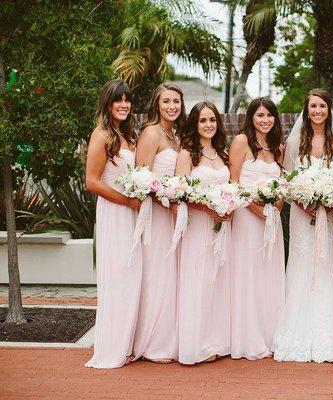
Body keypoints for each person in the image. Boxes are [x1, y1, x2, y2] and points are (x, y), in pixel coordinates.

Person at [273, 89, 333, 363]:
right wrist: (305, 203)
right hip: (301, 217)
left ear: (329, 110)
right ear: (306, 110)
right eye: (312, 106)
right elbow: (288, 182)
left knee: (326, 268)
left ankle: (328, 333)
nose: (317, 111)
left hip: (329, 217)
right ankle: (297, 332)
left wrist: (329, 201)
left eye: (322, 106)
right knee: (302, 266)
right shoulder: (294, 143)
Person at [84, 79, 141, 369]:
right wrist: (127, 201)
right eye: (117, 100)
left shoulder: (129, 135)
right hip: (115, 212)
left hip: (133, 213)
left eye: (127, 100)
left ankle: (128, 343)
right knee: (118, 278)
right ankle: (112, 347)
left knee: (133, 278)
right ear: (107, 104)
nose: (123, 105)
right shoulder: (102, 134)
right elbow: (92, 181)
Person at [229, 97, 286, 360]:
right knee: (248, 272)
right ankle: (248, 336)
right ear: (251, 117)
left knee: (269, 273)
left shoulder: (278, 146)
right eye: (260, 115)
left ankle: (271, 333)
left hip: (271, 220)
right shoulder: (241, 142)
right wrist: (257, 209)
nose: (265, 120)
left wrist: (276, 205)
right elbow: (233, 183)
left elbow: (283, 183)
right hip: (247, 218)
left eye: (269, 115)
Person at [133, 83, 185, 363]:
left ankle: (169, 337)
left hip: (175, 216)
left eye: (176, 101)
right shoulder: (151, 133)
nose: (172, 107)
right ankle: (153, 343)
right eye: (166, 101)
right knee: (157, 274)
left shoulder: (176, 135)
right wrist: (166, 199)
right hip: (157, 214)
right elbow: (141, 180)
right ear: (157, 104)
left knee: (172, 275)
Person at [176, 102, 231, 364]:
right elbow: (181, 195)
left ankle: (215, 338)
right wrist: (209, 209)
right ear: (194, 124)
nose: (208, 125)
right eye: (202, 121)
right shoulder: (187, 154)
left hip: (222, 226)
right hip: (199, 225)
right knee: (197, 278)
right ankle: (194, 344)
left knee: (218, 281)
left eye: (212, 120)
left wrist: (229, 205)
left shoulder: (222, 153)